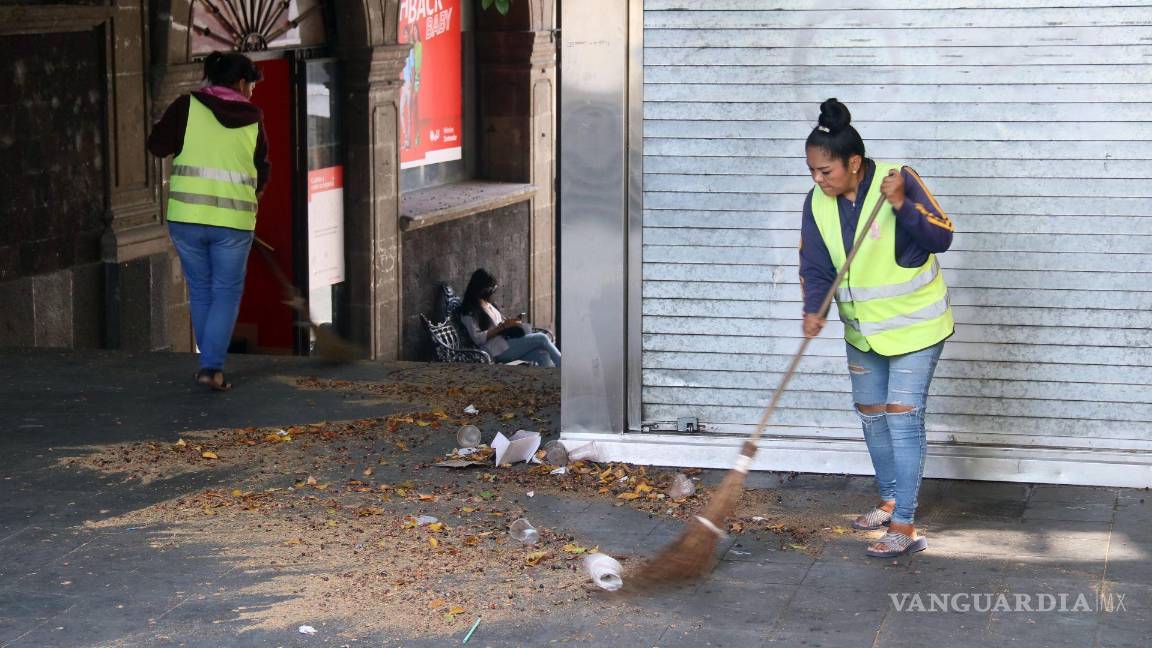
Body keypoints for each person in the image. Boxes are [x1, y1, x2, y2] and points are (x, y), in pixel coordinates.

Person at [799, 98, 955, 558]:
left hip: (916, 328)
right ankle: (889, 501)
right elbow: (816, 262)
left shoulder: (897, 179)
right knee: (871, 415)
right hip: (863, 332)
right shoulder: (817, 202)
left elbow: (941, 236)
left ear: (853, 163)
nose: (817, 179)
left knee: (903, 420)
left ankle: (904, 526)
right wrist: (815, 309)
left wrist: (902, 204)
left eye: (825, 171)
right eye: (812, 170)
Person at [147, 51, 270, 391]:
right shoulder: (253, 118)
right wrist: (252, 195)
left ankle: (208, 365)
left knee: (200, 289)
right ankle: (211, 367)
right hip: (232, 222)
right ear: (240, 83)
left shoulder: (186, 107)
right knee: (226, 291)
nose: (252, 93)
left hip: (186, 217)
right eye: (252, 86)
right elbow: (262, 169)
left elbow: (156, 145)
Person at [459, 269, 561, 367]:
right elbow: (477, 338)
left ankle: (550, 382)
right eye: (490, 288)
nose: (492, 291)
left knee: (542, 355)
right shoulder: (469, 311)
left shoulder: (489, 304)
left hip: (506, 342)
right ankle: (565, 367)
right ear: (480, 288)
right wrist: (502, 327)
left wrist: (511, 323)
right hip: (496, 349)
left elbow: (500, 322)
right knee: (542, 338)